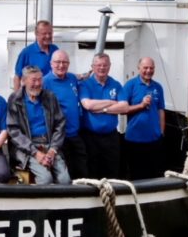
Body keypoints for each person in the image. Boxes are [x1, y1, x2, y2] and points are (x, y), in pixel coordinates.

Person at [7, 65, 71, 185]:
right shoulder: (15, 99)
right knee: (46, 179)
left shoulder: (50, 97)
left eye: (39, 80)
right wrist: (35, 153)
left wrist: (52, 150)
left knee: (65, 180)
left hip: (49, 144)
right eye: (33, 80)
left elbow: (60, 124)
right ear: (24, 81)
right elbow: (13, 131)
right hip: (27, 147)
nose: (37, 84)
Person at [79, 53, 127, 179]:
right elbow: (88, 105)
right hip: (90, 137)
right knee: (92, 172)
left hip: (111, 137)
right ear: (92, 67)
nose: (102, 68)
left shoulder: (115, 84)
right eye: (98, 65)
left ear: (109, 66)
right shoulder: (85, 84)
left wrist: (104, 109)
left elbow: (124, 107)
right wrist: (112, 102)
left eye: (105, 65)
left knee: (112, 171)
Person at [117, 57, 166, 180]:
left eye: (151, 68)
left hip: (154, 140)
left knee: (154, 175)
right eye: (145, 68)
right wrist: (141, 105)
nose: (148, 70)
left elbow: (161, 110)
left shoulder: (158, 87)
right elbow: (123, 110)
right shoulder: (130, 85)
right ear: (139, 68)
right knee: (137, 176)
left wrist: (161, 132)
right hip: (134, 140)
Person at [43, 50, 88, 179]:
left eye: (64, 62)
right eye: (57, 62)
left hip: (75, 134)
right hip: (59, 137)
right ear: (51, 63)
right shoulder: (45, 82)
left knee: (82, 169)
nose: (61, 65)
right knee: (68, 173)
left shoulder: (72, 78)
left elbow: (81, 79)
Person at [13, 20, 58, 90]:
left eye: (50, 33)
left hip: (53, 93)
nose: (48, 36)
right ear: (36, 34)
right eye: (44, 33)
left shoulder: (55, 49)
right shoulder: (27, 52)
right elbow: (17, 77)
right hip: (35, 94)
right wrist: (16, 98)